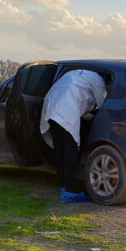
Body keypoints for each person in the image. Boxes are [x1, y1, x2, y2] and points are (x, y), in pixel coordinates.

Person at [40, 69, 107, 204]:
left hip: (52, 105)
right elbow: (101, 105)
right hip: (66, 108)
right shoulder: (98, 80)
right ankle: (70, 192)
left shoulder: (78, 73)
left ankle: (63, 186)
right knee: (70, 148)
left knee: (59, 148)